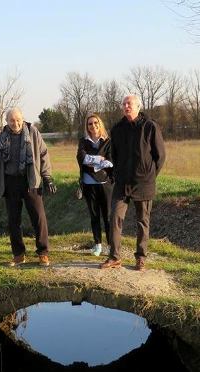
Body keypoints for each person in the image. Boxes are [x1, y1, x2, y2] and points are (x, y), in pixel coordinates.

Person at [100, 95, 165, 271]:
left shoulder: (149, 127)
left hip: (144, 183)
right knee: (114, 217)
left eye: (129, 104)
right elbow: (113, 155)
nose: (126, 106)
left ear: (138, 106)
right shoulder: (118, 129)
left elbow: (160, 156)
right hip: (122, 183)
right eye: (124, 104)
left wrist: (149, 175)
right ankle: (114, 257)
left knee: (142, 221)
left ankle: (140, 258)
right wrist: (115, 174)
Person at [0, 107, 57, 267]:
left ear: (23, 119)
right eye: (12, 120)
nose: (15, 123)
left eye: (18, 120)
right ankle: (18, 254)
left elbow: (43, 154)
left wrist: (47, 177)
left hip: (30, 181)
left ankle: (43, 252)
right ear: (6, 122)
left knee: (39, 217)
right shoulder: (1, 137)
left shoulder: (33, 132)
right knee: (13, 221)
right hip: (10, 182)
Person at [77, 113, 114, 256]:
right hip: (88, 183)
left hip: (105, 184)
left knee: (108, 216)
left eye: (95, 123)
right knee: (94, 216)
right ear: (87, 126)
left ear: (100, 124)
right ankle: (97, 245)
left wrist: (91, 160)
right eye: (90, 124)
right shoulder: (83, 141)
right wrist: (100, 158)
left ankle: (111, 246)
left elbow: (110, 162)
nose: (93, 126)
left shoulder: (108, 141)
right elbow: (81, 158)